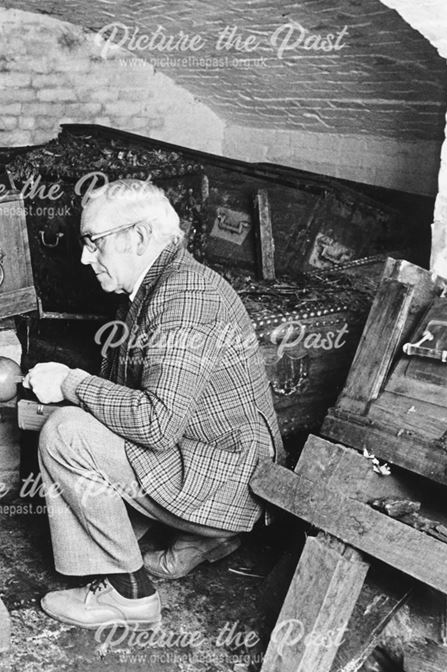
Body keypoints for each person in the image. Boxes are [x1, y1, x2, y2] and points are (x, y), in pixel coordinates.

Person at [22, 179, 283, 630]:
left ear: (138, 237)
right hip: (220, 465)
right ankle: (203, 541)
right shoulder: (162, 285)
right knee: (76, 418)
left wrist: (71, 384)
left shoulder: (184, 296)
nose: (85, 258)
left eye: (93, 243)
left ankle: (129, 594)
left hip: (225, 482)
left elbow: (156, 425)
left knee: (65, 433)